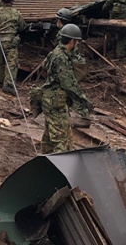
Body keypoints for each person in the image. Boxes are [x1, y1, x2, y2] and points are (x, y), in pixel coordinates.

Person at [29, 24, 93, 154]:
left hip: (51, 99)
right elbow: (68, 83)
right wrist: (83, 99)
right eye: (77, 42)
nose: (77, 45)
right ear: (72, 41)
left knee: (50, 133)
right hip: (55, 101)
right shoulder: (61, 58)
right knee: (62, 139)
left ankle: (45, 159)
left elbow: (45, 66)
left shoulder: (56, 52)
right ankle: (60, 165)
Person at [0, 0, 26, 95]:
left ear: (1, 1)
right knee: (11, 62)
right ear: (11, 2)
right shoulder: (16, 13)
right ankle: (9, 84)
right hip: (10, 41)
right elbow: (22, 26)